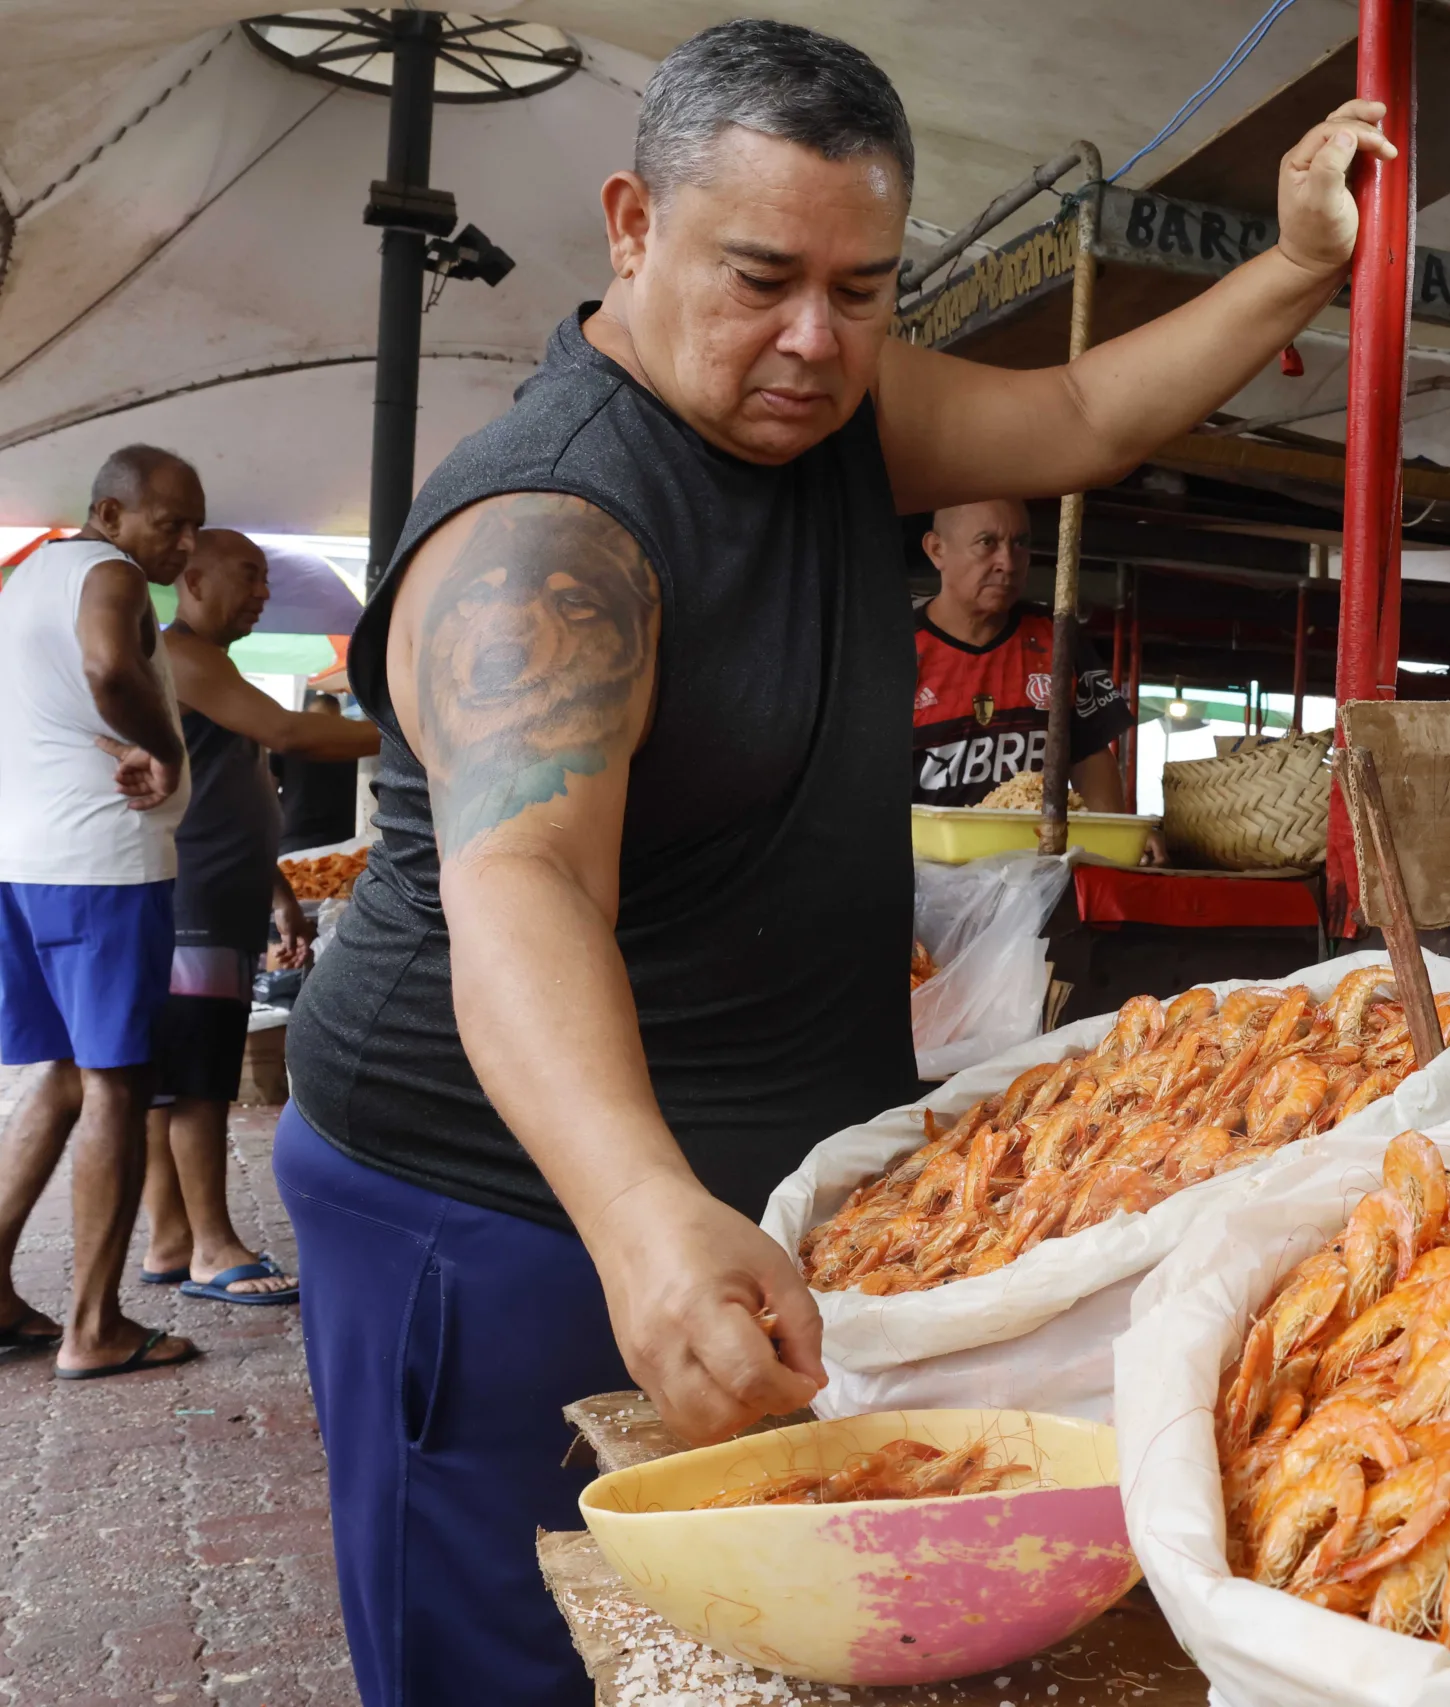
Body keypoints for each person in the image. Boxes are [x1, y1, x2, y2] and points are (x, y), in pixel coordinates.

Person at [282, 18, 1389, 1705]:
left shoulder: (840, 413)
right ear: (632, 228)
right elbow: (526, 884)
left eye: (863, 289)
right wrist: (643, 1215)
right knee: (514, 1654)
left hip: (772, 1194)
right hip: (498, 1203)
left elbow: (1084, 407)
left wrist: (1299, 263)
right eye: (762, 277)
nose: (813, 339)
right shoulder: (548, 533)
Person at [0, 444, 200, 1379]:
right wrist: (158, 743)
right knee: (117, 1084)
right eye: (173, 523)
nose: (186, 544)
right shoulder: (108, 571)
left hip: (25, 862)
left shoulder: (26, 574)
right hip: (102, 870)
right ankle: (94, 1325)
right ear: (112, 514)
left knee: (65, 1077)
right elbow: (108, 667)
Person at [139, 530, 379, 1308]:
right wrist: (424, 735)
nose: (261, 592)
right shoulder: (186, 656)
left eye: (266, 579)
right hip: (196, 902)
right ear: (193, 578)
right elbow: (291, 733)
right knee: (200, 1082)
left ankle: (173, 1236)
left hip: (220, 893)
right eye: (248, 576)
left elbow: (220, 793)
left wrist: (276, 893)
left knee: (175, 1080)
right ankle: (212, 1247)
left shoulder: (213, 666)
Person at [912, 497, 1139, 811]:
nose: (1008, 561)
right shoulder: (894, 649)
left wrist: (1115, 837)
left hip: (1037, 853)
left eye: (1020, 543)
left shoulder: (1058, 637)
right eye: (986, 543)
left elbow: (1090, 754)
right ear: (937, 550)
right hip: (924, 858)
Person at [272, 690, 364, 852]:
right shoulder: (352, 745)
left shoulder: (290, 743)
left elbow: (267, 789)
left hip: (295, 838)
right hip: (344, 841)